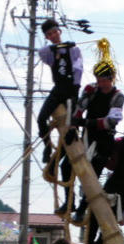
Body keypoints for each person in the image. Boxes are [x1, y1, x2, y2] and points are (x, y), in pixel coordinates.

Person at [60, 42, 124, 217]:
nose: (101, 83)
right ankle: (69, 201)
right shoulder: (90, 89)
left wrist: (87, 123)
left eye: (104, 80)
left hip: (104, 141)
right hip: (86, 136)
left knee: (92, 176)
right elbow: (79, 109)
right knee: (66, 165)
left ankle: (81, 209)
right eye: (98, 80)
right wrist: (73, 126)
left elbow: (111, 121)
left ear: (111, 79)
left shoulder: (117, 96)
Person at [37, 19, 82, 163]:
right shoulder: (49, 52)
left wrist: (75, 92)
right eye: (49, 34)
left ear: (59, 31)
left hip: (71, 89)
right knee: (41, 118)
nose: (53, 35)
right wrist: (57, 47)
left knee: (72, 124)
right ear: (47, 37)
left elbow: (78, 69)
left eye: (55, 32)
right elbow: (41, 52)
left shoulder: (73, 49)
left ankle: (67, 156)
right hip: (58, 88)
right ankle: (47, 146)